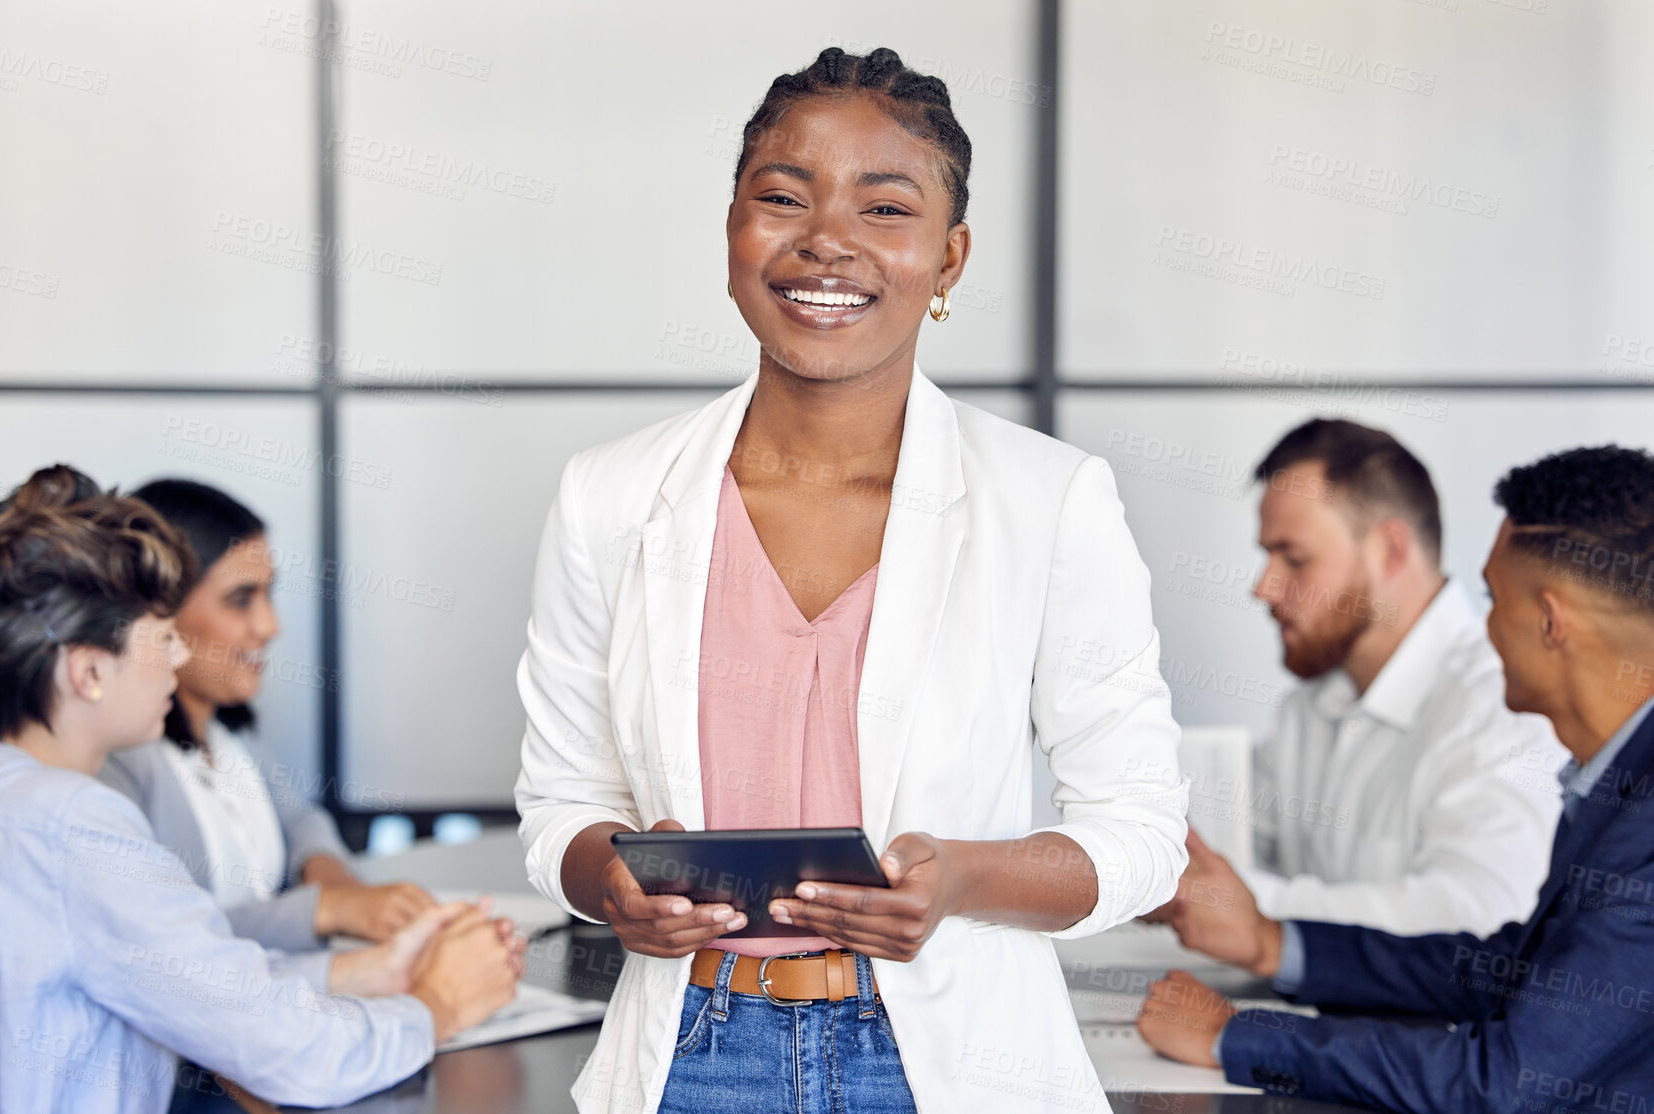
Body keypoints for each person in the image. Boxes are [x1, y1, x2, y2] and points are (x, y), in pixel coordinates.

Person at [514, 47, 1188, 1114]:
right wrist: (612, 882)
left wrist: (962, 879)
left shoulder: (1048, 500)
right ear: (732, 226)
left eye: (885, 208)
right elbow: (562, 805)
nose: (824, 241)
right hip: (690, 1051)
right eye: (782, 197)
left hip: (949, 1058)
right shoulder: (610, 495)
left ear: (950, 257)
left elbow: (1143, 839)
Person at [0, 465, 521, 1112]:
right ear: (89, 671)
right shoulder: (72, 827)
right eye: (159, 636)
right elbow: (292, 1054)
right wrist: (435, 1006)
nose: (178, 657)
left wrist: (364, 974)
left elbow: (179, 977)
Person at [1136, 445, 1654, 1110]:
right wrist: (1277, 941)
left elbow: (1503, 1082)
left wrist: (1240, 1037)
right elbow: (1509, 975)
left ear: (1552, 623)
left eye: (1494, 598)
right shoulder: (1612, 780)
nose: (1483, 625)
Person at [1155, 419, 1564, 937]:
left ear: (1390, 551)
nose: (1265, 587)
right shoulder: (1314, 703)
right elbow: (1236, 843)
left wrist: (1250, 909)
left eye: (1294, 558)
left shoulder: (1503, 704)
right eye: (1267, 556)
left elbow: (1478, 916)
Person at [98, 478, 436, 951]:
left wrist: (329, 874)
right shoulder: (116, 766)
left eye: (268, 594)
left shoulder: (232, 737)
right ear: (158, 611)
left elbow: (301, 821)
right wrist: (326, 909)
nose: (269, 626)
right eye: (241, 599)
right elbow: (162, 943)